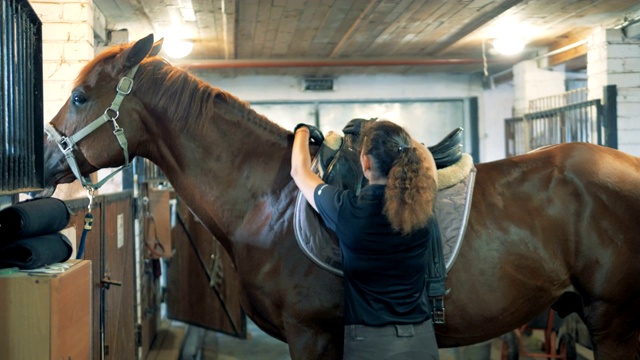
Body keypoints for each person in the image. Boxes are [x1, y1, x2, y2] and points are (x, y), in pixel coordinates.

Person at [290, 120, 440, 360]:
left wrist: (302, 130)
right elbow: (427, 161)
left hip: (369, 346)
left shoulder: (347, 210)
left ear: (366, 162)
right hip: (421, 340)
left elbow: (299, 172)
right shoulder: (424, 204)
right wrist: (399, 140)